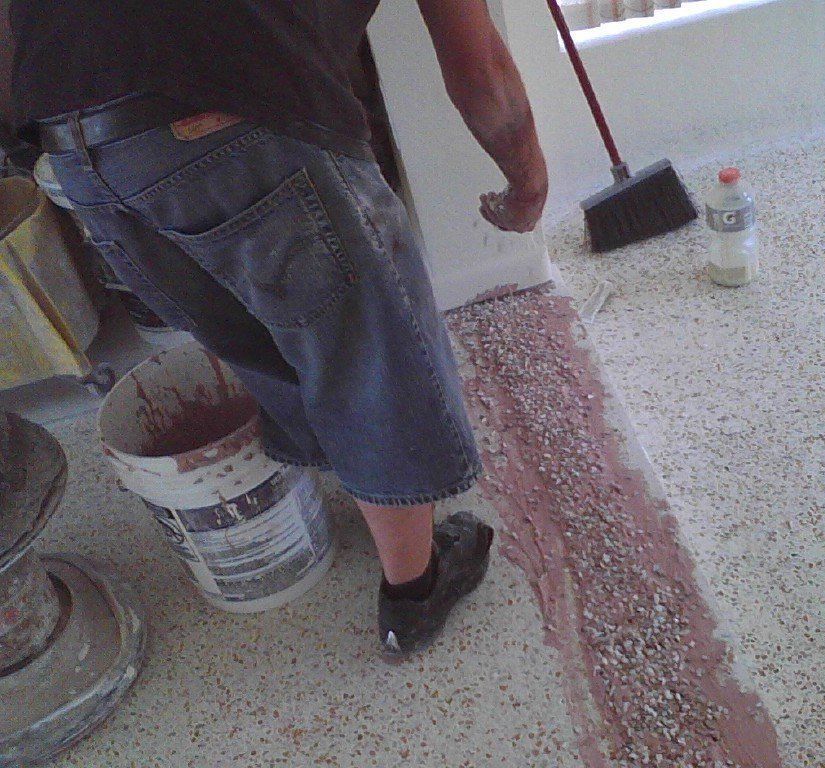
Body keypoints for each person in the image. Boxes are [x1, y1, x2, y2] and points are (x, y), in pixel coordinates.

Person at [6, 0, 548, 657]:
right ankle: (415, 588)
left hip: (74, 146)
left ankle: (355, 481)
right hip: (225, 108)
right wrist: (526, 181)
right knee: (368, 351)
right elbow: (481, 70)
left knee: (255, 333)